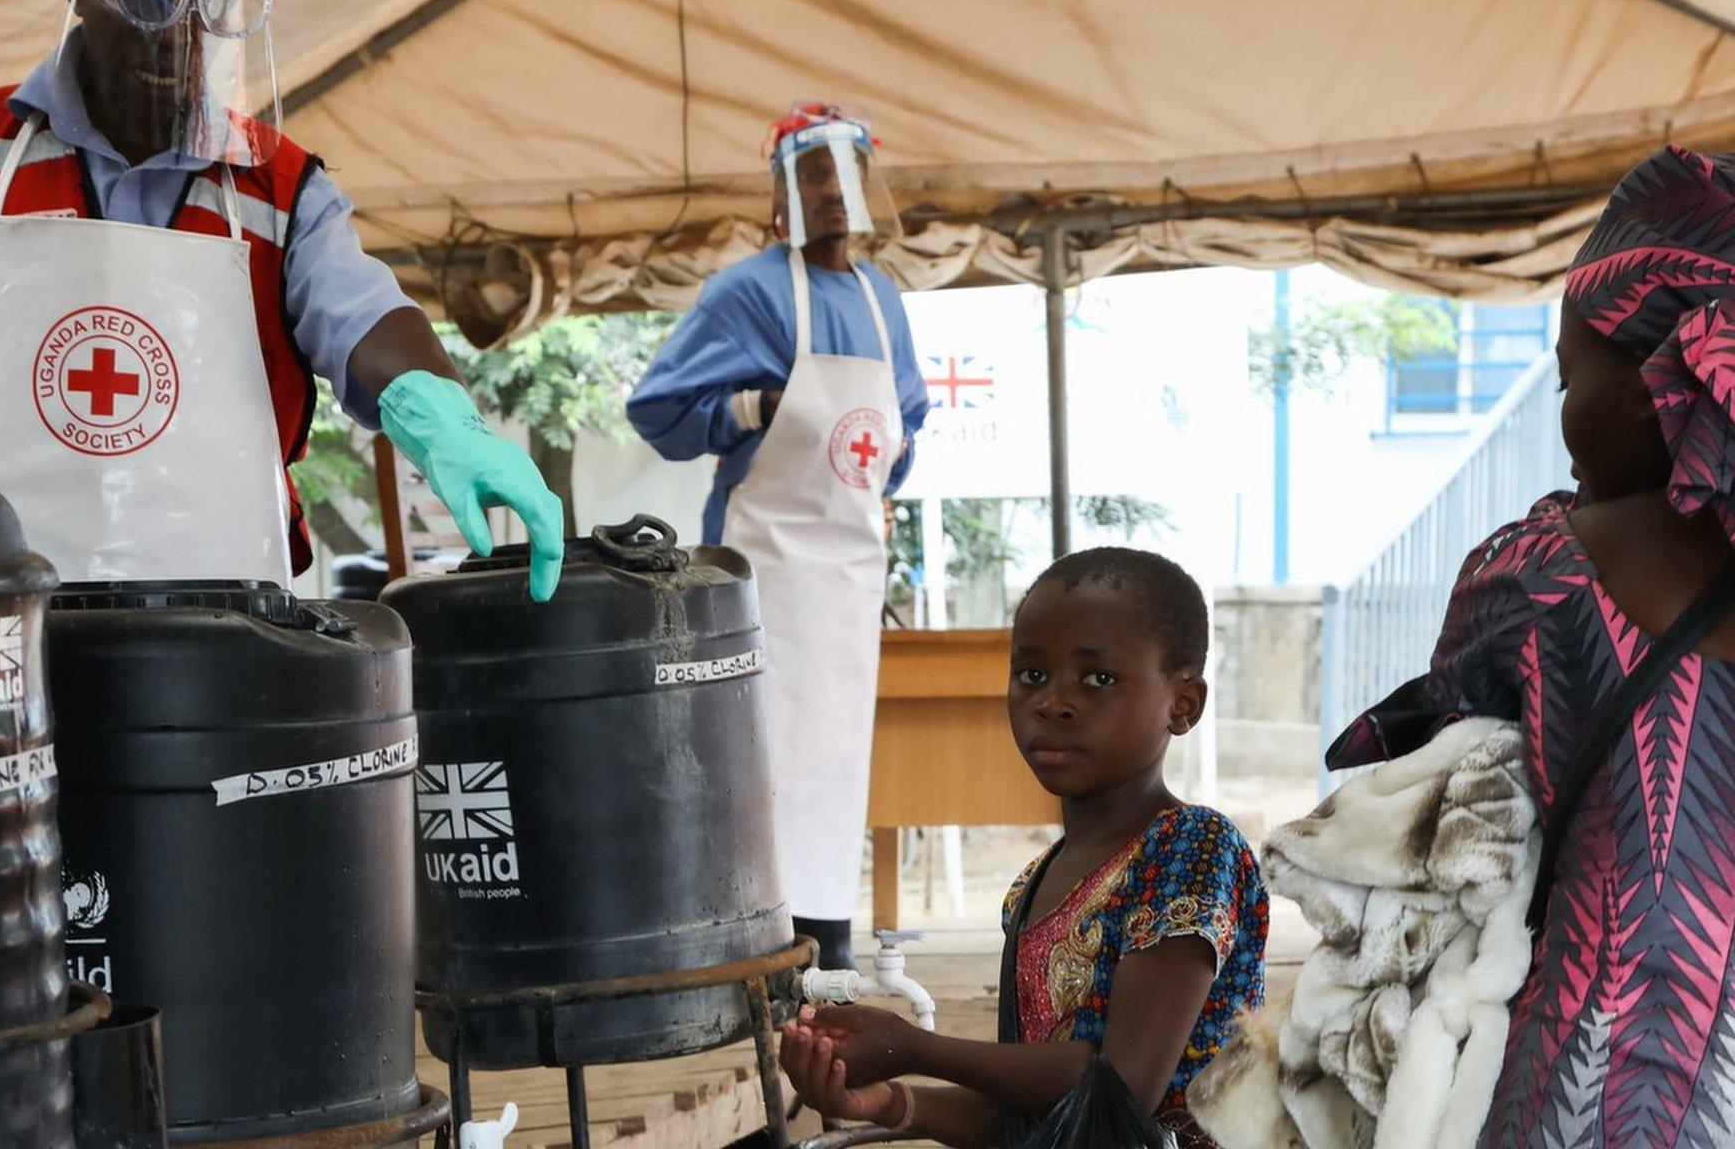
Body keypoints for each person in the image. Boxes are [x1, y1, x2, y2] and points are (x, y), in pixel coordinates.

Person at [0, 0, 563, 600]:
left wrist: (449, 424)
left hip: (231, 618)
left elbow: (365, 318)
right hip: (17, 611)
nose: (178, 35)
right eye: (149, 4)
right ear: (81, 3)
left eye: (211, 8)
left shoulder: (279, 187)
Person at [1325, 144, 1735, 1147]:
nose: (1561, 422)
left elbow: (1429, 801)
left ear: (1658, 383)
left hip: (1598, 1089)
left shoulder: (1548, 573)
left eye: (1563, 382)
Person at [780, 548, 1268, 1149]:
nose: (1053, 702)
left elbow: (1119, 1089)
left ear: (1183, 703)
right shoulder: (1035, 883)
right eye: (1032, 674)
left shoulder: (1193, 848)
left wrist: (917, 1048)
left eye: (1098, 679)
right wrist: (886, 1102)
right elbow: (1039, 1121)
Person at [626, 103, 931, 969]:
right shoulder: (746, 292)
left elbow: (902, 425)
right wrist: (752, 409)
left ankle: (827, 943)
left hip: (847, 571)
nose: (835, 194)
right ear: (782, 196)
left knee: (835, 757)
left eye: (848, 176)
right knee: (757, 755)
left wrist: (885, 468)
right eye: (814, 177)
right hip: (761, 563)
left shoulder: (883, 300)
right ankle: (754, 944)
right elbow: (659, 409)